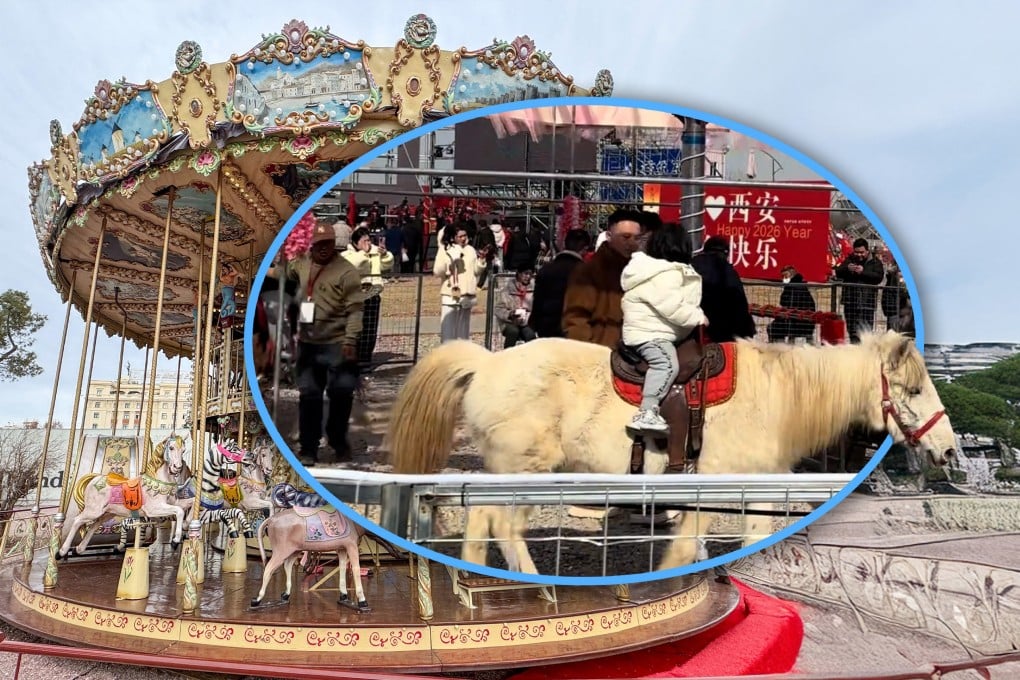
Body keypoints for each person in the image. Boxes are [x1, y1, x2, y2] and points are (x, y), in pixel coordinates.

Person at [267, 219, 364, 466]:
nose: (323, 248)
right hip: (309, 344)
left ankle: (337, 440)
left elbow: (355, 310)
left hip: (339, 342)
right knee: (309, 396)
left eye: (327, 244)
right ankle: (309, 447)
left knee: (341, 396)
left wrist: (352, 340)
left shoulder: (347, 272)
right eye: (318, 244)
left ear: (334, 244)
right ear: (312, 244)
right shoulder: (302, 264)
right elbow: (282, 273)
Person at [621, 224, 707, 434]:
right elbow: (672, 307)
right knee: (666, 364)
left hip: (654, 331)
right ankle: (647, 412)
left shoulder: (658, 270)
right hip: (650, 335)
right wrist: (698, 318)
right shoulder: (663, 273)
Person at [561, 208, 644, 348]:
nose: (631, 243)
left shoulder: (641, 270)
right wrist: (586, 354)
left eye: (636, 238)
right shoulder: (588, 271)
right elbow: (576, 319)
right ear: (609, 236)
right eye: (625, 237)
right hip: (599, 354)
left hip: (634, 356)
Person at [342, 226, 394, 368]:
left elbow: (387, 265)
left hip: (373, 293)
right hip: (356, 296)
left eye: (369, 240)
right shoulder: (347, 254)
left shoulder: (374, 252)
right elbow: (354, 265)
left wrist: (384, 255)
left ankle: (366, 359)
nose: (368, 244)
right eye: (364, 241)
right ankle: (352, 358)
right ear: (355, 243)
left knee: (370, 328)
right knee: (355, 328)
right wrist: (364, 253)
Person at [691, 236, 757, 342]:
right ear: (726, 252)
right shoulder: (728, 271)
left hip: (693, 326)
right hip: (723, 330)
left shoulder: (691, 265)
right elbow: (740, 303)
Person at [529, 229, 591, 338]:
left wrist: (534, 323)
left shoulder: (546, 269)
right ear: (585, 248)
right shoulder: (586, 271)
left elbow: (538, 299)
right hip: (573, 328)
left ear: (564, 244)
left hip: (546, 326)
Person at [433, 223, 490, 342]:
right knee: (448, 328)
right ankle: (447, 353)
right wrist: (450, 265)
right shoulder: (445, 249)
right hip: (451, 292)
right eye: (460, 236)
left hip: (467, 293)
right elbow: (437, 271)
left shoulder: (470, 250)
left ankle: (462, 353)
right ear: (453, 237)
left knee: (463, 329)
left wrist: (481, 260)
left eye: (465, 235)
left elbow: (476, 271)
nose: (463, 238)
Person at [834, 238, 885, 343]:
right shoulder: (849, 259)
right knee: (852, 331)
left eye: (861, 252)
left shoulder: (875, 262)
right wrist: (847, 268)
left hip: (867, 303)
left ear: (867, 251)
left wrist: (863, 272)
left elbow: (878, 277)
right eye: (856, 252)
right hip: (850, 303)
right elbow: (838, 272)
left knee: (866, 332)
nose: (859, 255)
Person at [767, 265, 817, 343]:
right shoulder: (803, 287)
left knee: (774, 326)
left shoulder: (792, 288)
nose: (783, 278)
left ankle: (779, 348)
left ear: (791, 274)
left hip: (794, 323)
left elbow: (785, 303)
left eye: (785, 276)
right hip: (807, 324)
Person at [494, 267, 537, 348]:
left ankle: (532, 357)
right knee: (513, 332)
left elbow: (538, 309)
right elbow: (498, 309)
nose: (528, 276)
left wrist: (527, 316)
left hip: (527, 322)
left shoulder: (534, 291)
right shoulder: (507, 290)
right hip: (509, 322)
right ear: (519, 274)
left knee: (530, 335)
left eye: (530, 274)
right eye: (525, 274)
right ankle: (507, 356)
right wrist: (510, 314)